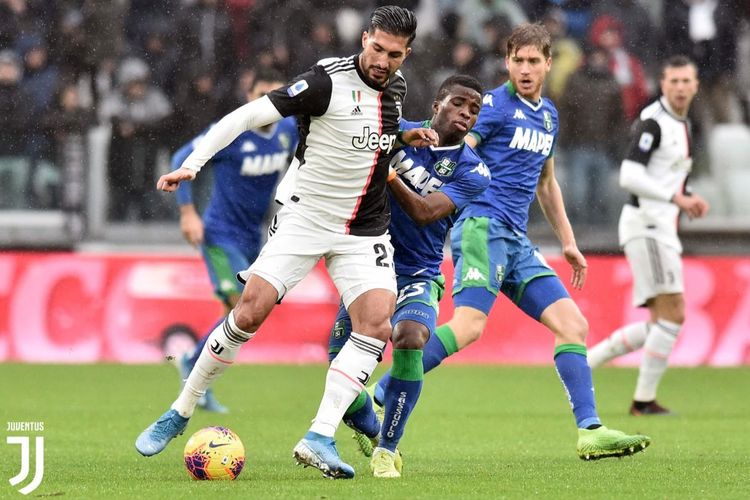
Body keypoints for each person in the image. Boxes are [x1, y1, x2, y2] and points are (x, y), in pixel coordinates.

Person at [135, 5, 435, 480]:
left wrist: (404, 133)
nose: (382, 60)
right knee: (249, 311)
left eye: (393, 54)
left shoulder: (396, 89)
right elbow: (247, 115)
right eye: (376, 48)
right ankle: (181, 409)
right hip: (304, 217)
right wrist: (194, 165)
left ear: (406, 54)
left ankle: (319, 436)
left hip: (364, 227)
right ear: (363, 39)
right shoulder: (323, 82)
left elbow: (373, 129)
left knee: (376, 326)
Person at [363, 23, 651, 462]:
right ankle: (381, 394)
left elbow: (547, 183)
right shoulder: (492, 107)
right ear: (507, 62)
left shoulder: (549, 115)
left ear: (548, 64)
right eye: (518, 60)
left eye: (534, 61)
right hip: (480, 226)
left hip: (515, 237)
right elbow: (456, 148)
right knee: (470, 327)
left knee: (573, 325)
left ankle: (589, 430)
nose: (526, 69)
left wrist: (568, 242)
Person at [329, 74, 490, 478]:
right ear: (436, 105)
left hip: (418, 269)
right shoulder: (396, 131)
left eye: (473, 110)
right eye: (458, 104)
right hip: (366, 260)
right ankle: (368, 420)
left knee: (410, 336)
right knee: (336, 360)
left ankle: (387, 448)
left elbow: (423, 213)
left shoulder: (474, 171)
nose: (465, 115)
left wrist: (387, 173)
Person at [170, 68, 298, 414]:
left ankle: (194, 363)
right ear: (249, 97)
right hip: (220, 232)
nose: (268, 105)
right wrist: (187, 213)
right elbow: (179, 158)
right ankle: (195, 370)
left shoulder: (287, 131)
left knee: (242, 312)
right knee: (240, 303)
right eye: (261, 97)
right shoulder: (232, 132)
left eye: (275, 98)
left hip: (254, 236)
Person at [587, 56, 709, 415]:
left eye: (687, 81)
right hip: (648, 225)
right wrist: (676, 198)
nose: (681, 87)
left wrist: (686, 196)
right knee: (673, 315)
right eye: (674, 81)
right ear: (663, 84)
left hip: (660, 226)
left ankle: (586, 363)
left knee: (661, 322)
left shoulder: (681, 124)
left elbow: (668, 175)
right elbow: (629, 175)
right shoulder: (653, 123)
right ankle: (643, 401)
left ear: (696, 85)